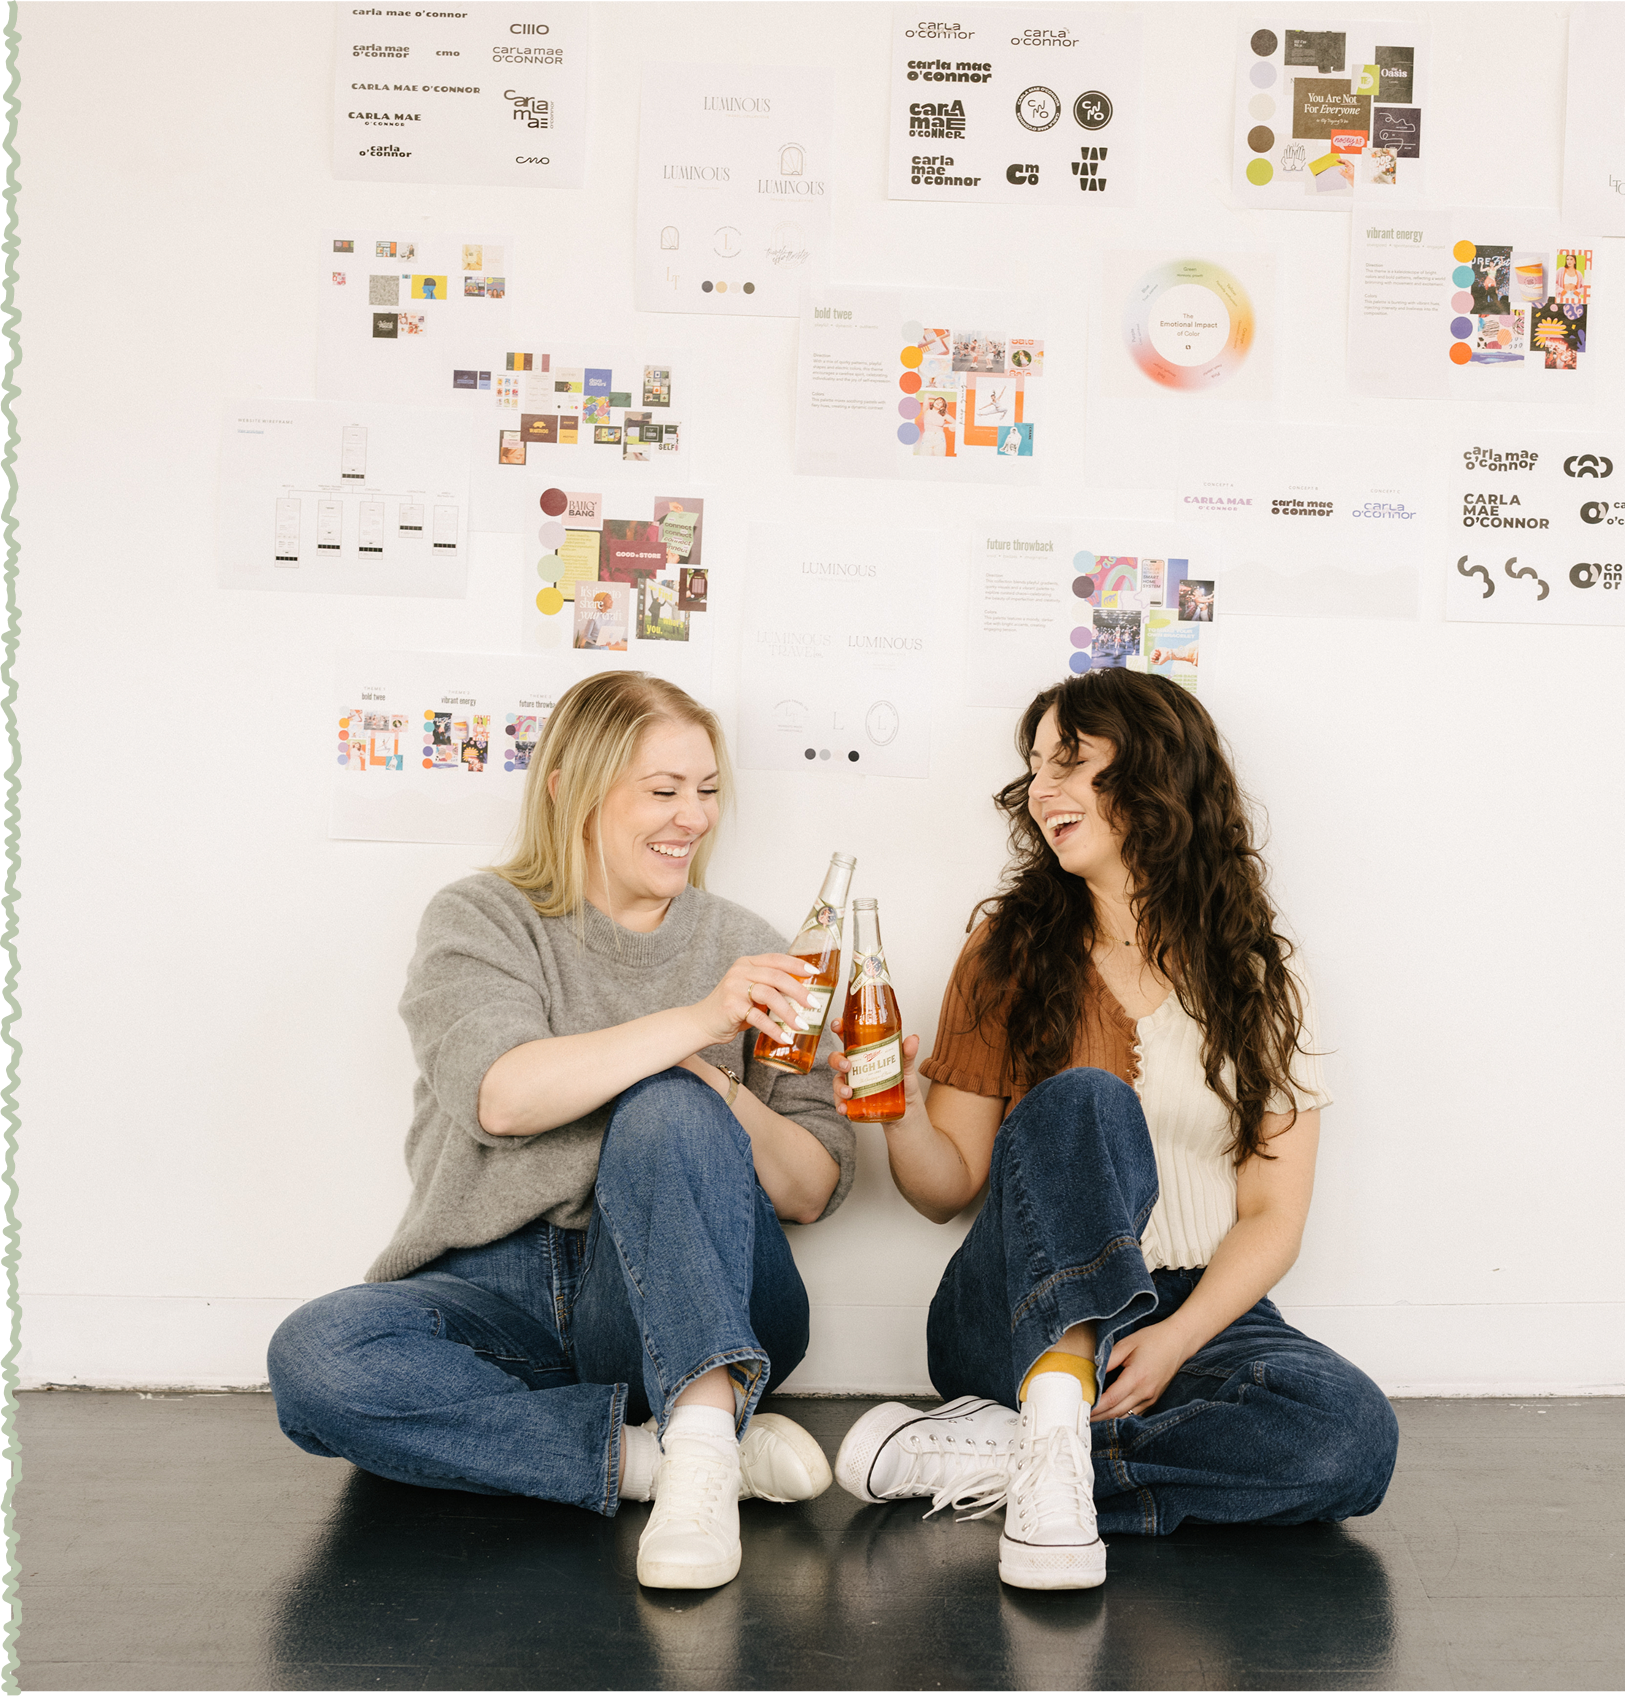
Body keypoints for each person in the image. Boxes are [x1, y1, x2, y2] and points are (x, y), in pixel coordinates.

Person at [269, 672, 855, 1591]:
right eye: (662, 791)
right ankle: (661, 1459)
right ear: (571, 788)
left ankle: (694, 1440)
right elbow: (502, 1096)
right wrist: (700, 1021)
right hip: (496, 1291)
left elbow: (811, 1190)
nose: (691, 818)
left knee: (670, 1103)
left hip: (687, 1290)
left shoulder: (749, 942)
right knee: (318, 1358)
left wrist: (709, 1087)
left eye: (705, 791)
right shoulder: (483, 917)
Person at [829, 670, 1397, 1591]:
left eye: (1071, 762)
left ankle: (1016, 1459)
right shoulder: (1006, 952)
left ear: (1153, 780)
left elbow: (1270, 1215)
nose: (1040, 789)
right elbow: (944, 1191)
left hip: (1194, 1310)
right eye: (1033, 767)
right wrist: (889, 1106)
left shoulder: (1258, 982)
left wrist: (1174, 1341)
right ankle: (1052, 1411)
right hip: (1022, 1311)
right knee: (1088, 1095)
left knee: (1349, 1439)